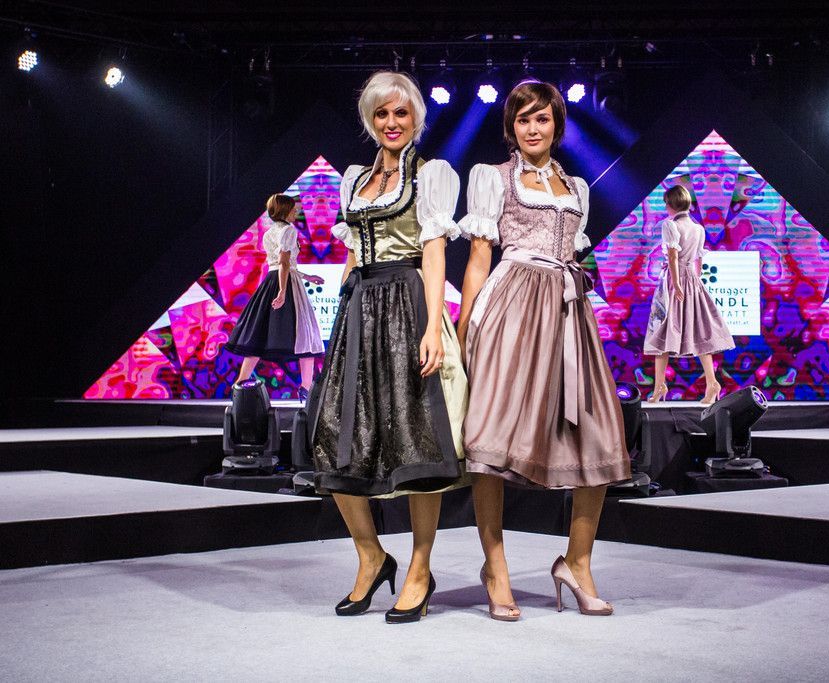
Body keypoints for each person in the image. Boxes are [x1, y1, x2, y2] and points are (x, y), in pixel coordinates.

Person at [457, 80, 631, 621]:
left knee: (597, 437)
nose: (533, 128)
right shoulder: (493, 178)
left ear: (557, 125)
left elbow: (573, 255)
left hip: (568, 314)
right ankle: (496, 569)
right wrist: (464, 329)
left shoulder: (576, 186)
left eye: (543, 119)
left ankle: (577, 563)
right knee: (491, 438)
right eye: (523, 119)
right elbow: (480, 258)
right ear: (510, 128)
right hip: (511, 309)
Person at [310, 71, 468, 624]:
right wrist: (343, 314)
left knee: (417, 440)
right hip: (360, 309)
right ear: (370, 119)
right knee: (334, 436)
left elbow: (434, 253)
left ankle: (420, 569)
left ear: (416, 118)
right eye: (382, 113)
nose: (392, 122)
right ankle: (371, 556)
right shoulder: (355, 178)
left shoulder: (430, 175)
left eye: (401, 113)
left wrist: (433, 327)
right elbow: (354, 251)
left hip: (408, 303)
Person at [223, 193, 324, 400]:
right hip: (284, 283)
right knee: (306, 337)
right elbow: (284, 263)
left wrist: (307, 277)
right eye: (293, 208)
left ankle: (239, 384)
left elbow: (282, 265)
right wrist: (282, 291)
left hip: (271, 281)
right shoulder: (288, 230)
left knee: (259, 334)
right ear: (285, 210)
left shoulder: (270, 232)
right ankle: (306, 388)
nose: (296, 211)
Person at [644, 186, 735, 404]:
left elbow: (673, 257)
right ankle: (711, 382)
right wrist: (693, 280)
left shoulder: (670, 225)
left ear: (671, 204)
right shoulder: (698, 228)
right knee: (699, 331)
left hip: (674, 282)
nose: (665, 207)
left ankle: (660, 387)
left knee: (661, 332)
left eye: (666, 203)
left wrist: (676, 283)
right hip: (692, 281)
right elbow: (698, 260)